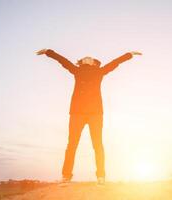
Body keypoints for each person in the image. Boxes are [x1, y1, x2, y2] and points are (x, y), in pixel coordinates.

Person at [36, 48, 142, 185]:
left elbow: (115, 63)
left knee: (97, 145)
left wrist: (129, 55)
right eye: (85, 57)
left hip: (95, 113)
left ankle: (101, 177)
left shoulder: (100, 71)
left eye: (90, 57)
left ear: (94, 63)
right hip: (77, 113)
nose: (87, 57)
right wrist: (48, 52)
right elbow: (63, 61)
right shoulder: (77, 70)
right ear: (81, 62)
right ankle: (66, 176)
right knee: (72, 145)